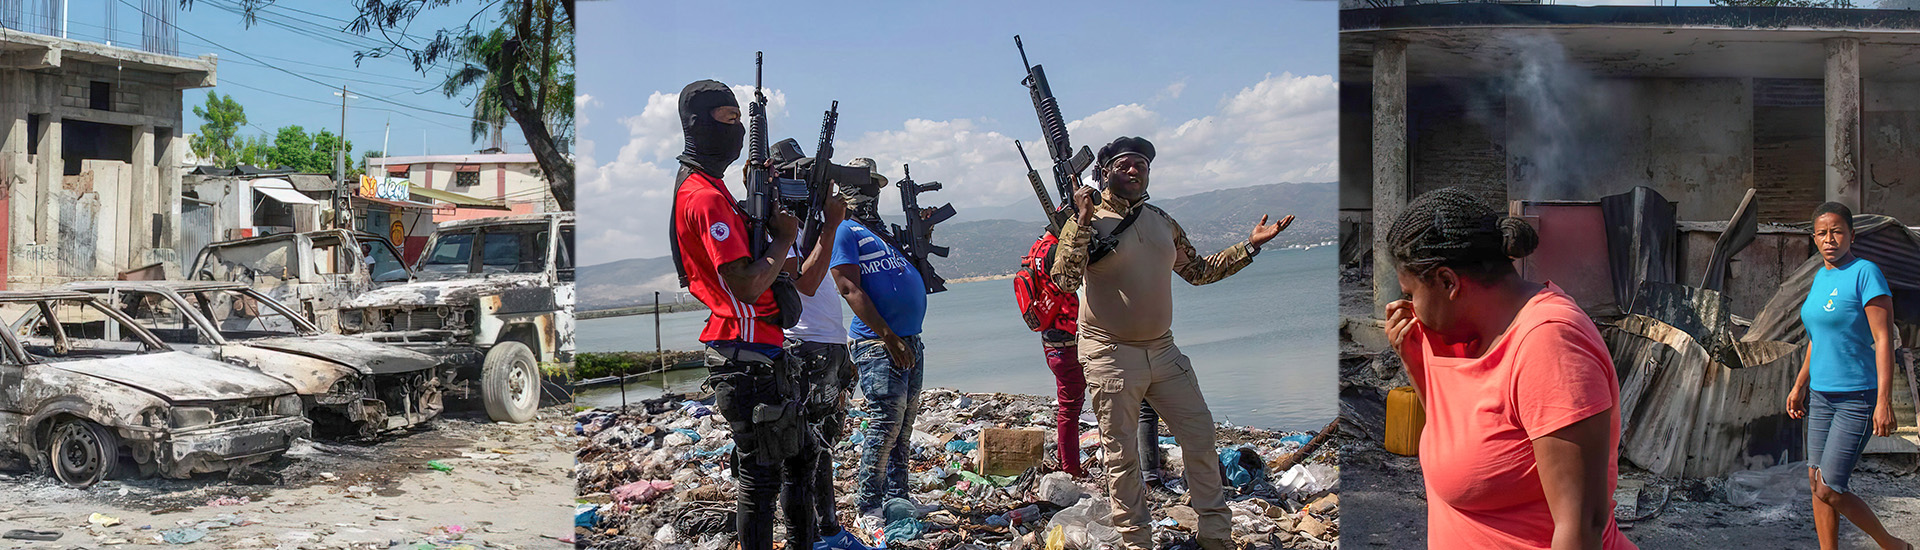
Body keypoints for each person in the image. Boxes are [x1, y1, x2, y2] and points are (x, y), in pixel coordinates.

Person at [1051, 136, 1292, 550]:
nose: (1134, 170)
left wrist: (1250, 246)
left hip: (1163, 350)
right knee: (1121, 456)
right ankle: (1136, 541)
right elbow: (1064, 280)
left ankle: (1216, 537)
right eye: (1125, 163)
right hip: (1109, 353)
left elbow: (1197, 271)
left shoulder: (1162, 221)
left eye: (1141, 164)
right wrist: (1084, 219)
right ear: (1105, 170)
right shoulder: (1085, 220)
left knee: (1199, 434)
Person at [1381, 187, 1635, 550]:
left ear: (1448, 282)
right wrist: (1414, 361)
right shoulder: (1462, 335)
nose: (1406, 307)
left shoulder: (1550, 345)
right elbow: (1461, 439)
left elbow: (1581, 528)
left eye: (1410, 294)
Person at [667, 79, 818, 550]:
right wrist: (782, 235)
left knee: (799, 455)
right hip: (744, 352)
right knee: (761, 476)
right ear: (697, 125)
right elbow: (748, 285)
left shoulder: (712, 189)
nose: (735, 132)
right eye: (728, 120)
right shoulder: (704, 197)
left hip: (755, 350)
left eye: (740, 121)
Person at [1787, 202, 1913, 550]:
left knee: (1830, 486)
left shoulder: (1865, 273)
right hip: (1821, 397)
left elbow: (1884, 339)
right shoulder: (1820, 276)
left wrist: (1884, 402)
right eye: (1822, 233)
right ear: (1814, 239)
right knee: (1816, 482)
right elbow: (1817, 338)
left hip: (1856, 397)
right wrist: (1799, 385)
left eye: (1837, 231)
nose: (1829, 239)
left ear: (1851, 235)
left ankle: (1893, 545)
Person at [829, 165, 930, 540]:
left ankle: (898, 497)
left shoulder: (879, 232)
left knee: (903, 428)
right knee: (884, 424)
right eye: (864, 187)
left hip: (909, 339)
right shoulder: (843, 229)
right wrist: (888, 336)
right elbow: (848, 287)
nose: (871, 194)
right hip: (879, 343)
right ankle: (868, 505)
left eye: (874, 187)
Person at [782, 161, 863, 550]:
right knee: (802, 454)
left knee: (823, 446)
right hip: (803, 345)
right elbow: (807, 285)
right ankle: (811, 536)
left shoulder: (802, 226)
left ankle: (828, 529)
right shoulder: (774, 227)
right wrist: (831, 226)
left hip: (828, 344)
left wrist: (843, 350)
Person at [1016, 231, 1089, 478]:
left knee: (1068, 407)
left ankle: (1066, 461)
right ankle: (1070, 468)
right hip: (1069, 341)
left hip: (1051, 339)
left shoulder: (1038, 247)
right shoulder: (1060, 251)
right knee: (1071, 409)